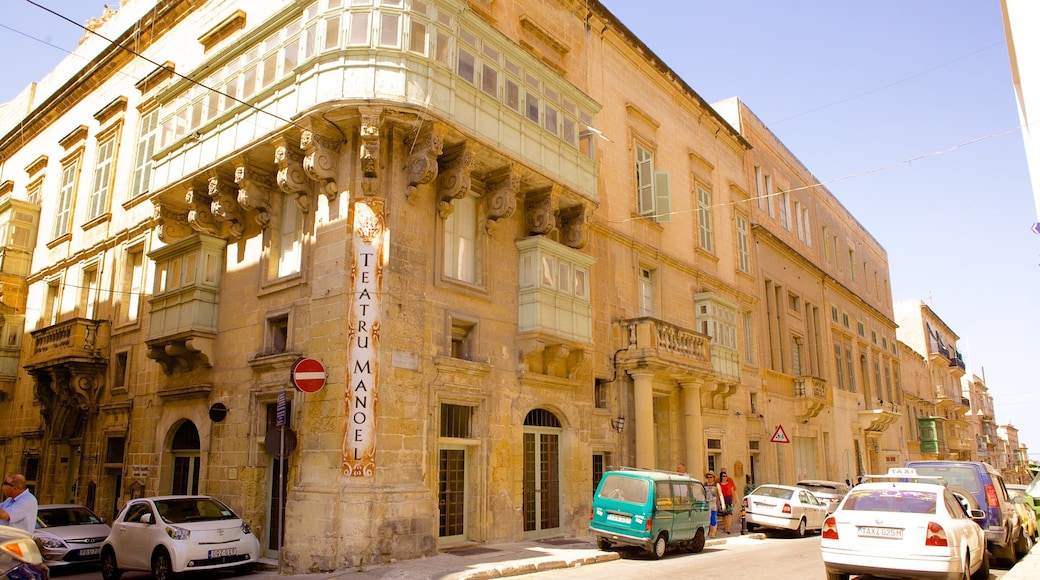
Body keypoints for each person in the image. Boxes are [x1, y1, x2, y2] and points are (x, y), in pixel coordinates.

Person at [704, 471, 725, 538]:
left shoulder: (716, 485)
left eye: (710, 477)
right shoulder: (704, 484)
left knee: (713, 519)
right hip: (706, 504)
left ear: (713, 478)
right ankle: (708, 532)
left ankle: (713, 533)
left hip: (713, 504)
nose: (709, 478)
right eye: (708, 477)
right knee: (707, 519)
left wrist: (723, 504)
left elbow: (720, 494)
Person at [719, 469, 736, 534]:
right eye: (723, 476)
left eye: (726, 476)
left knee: (729, 514)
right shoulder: (719, 484)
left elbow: (732, 492)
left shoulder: (730, 483)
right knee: (724, 515)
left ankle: (728, 528)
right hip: (722, 499)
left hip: (729, 499)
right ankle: (726, 527)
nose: (725, 477)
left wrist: (734, 500)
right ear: (721, 477)